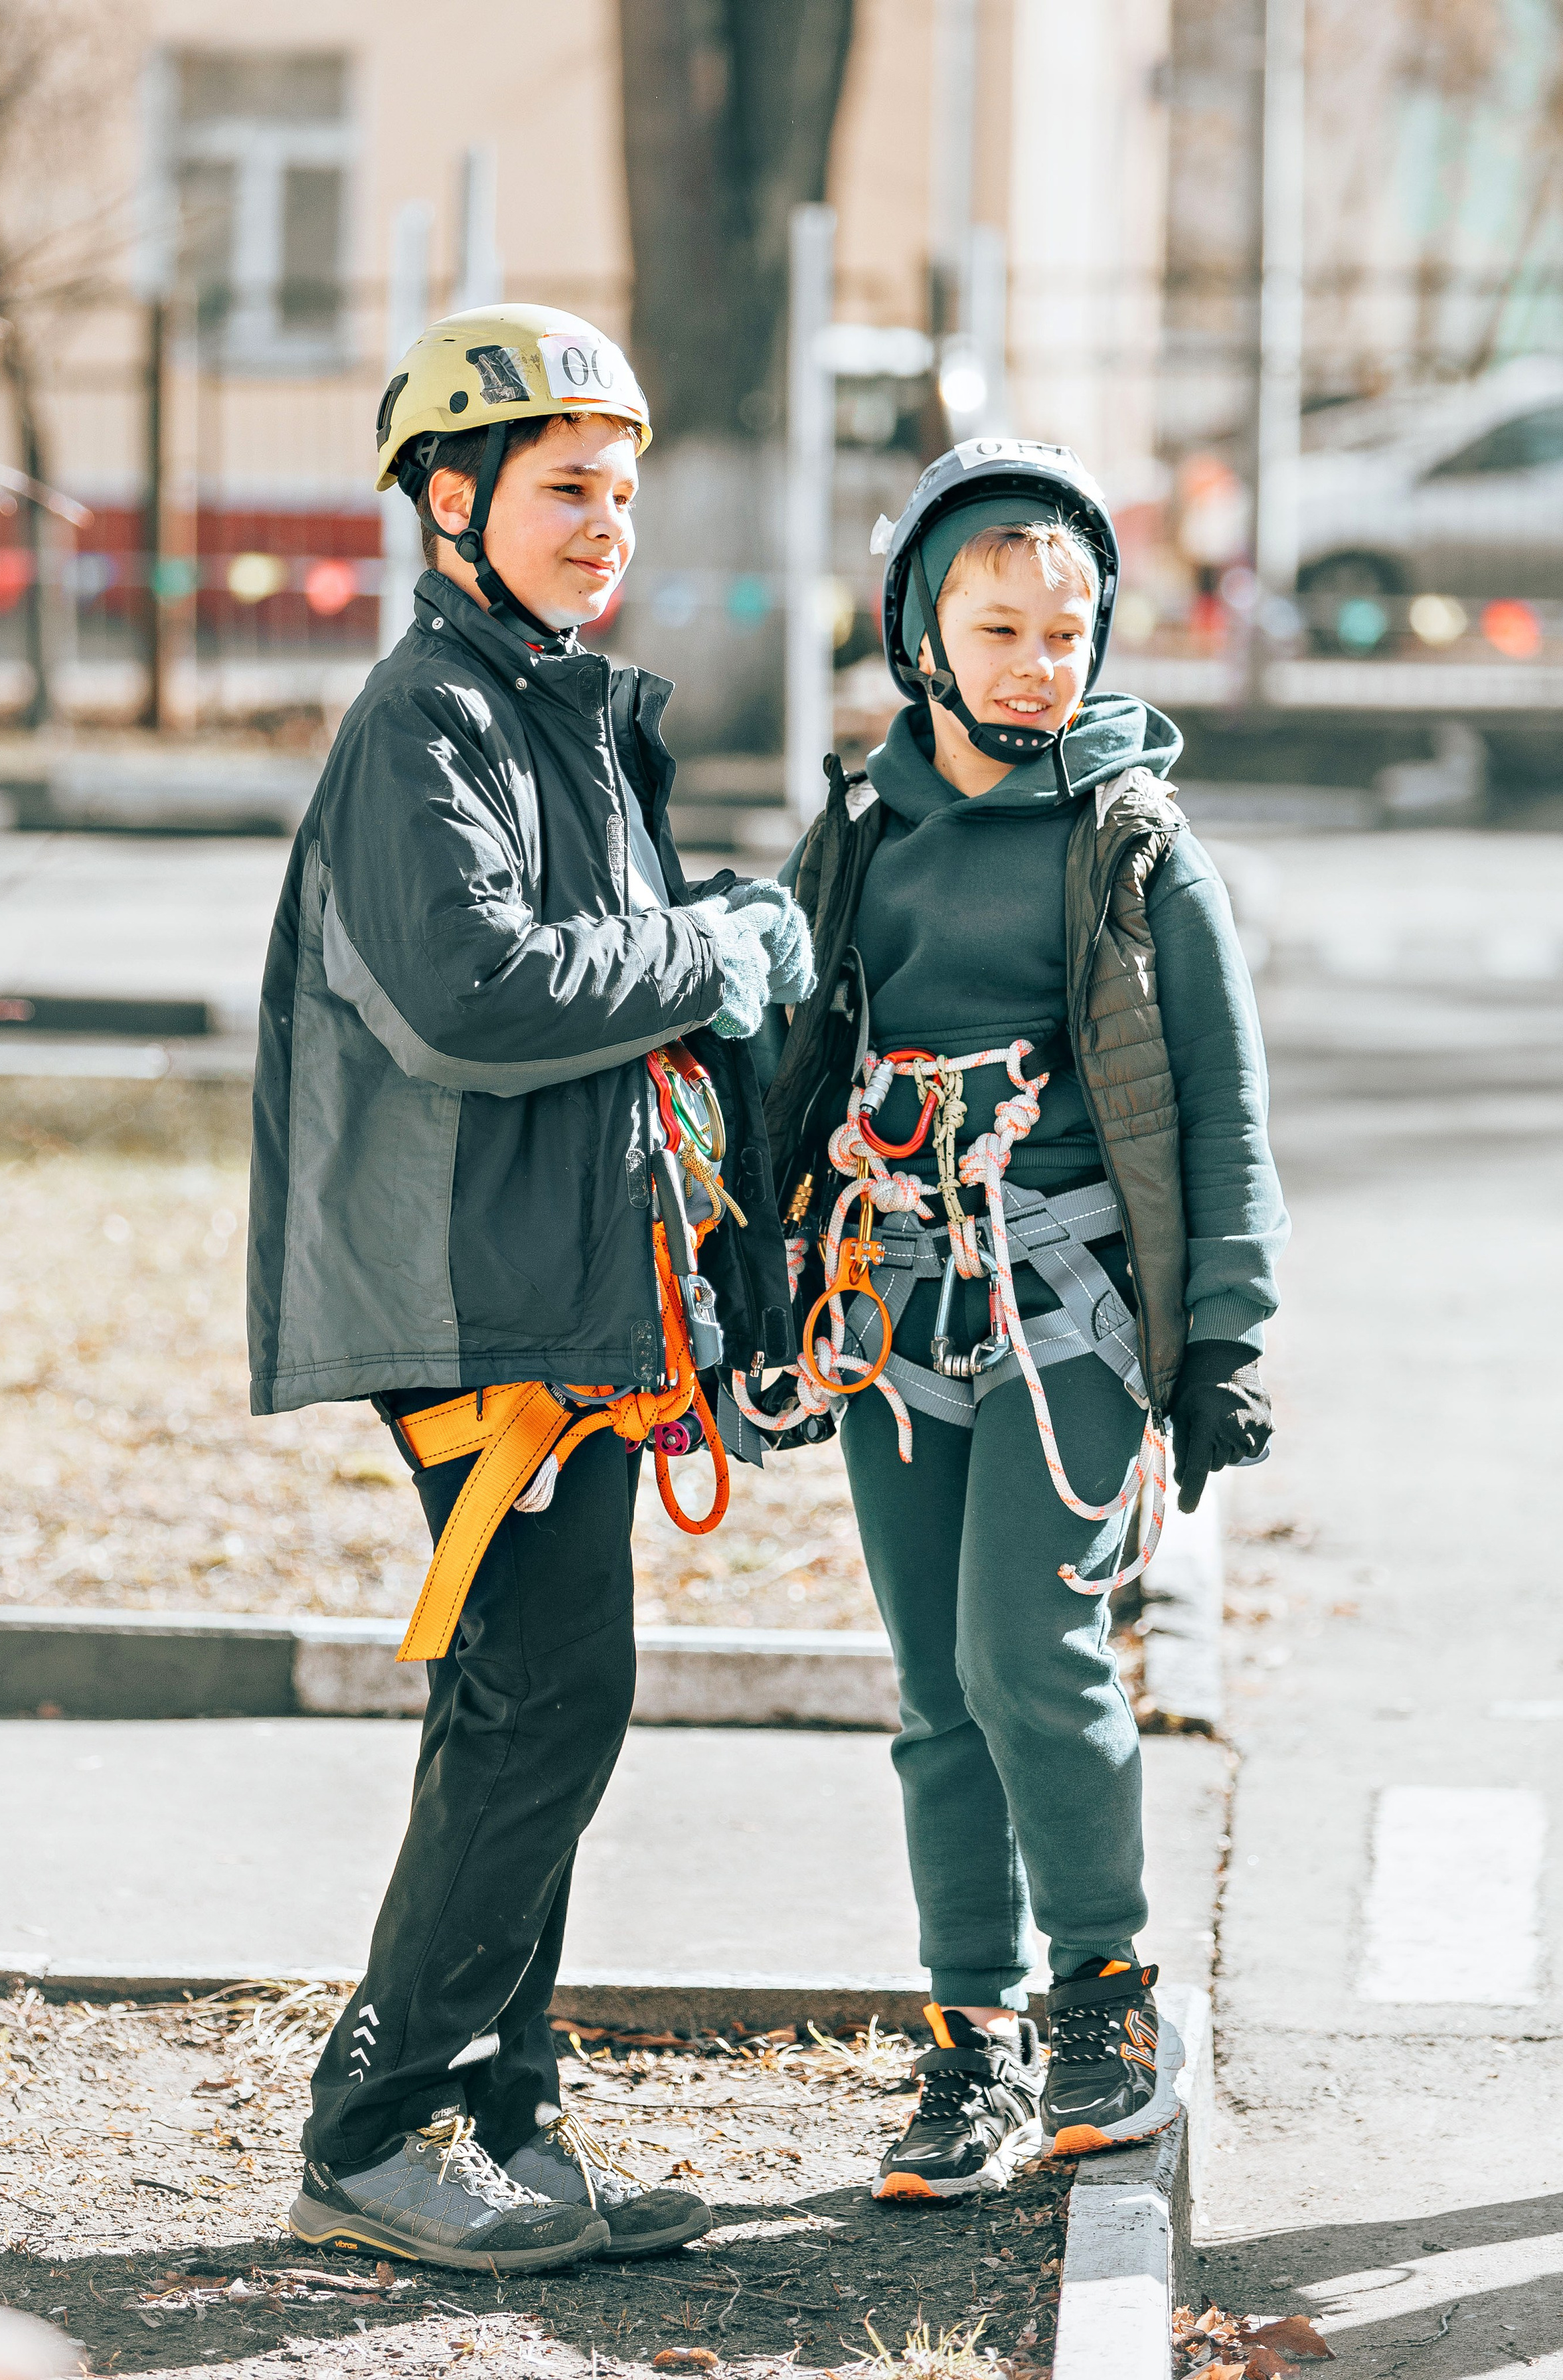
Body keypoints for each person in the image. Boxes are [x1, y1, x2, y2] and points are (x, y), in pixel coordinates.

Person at [246, 303, 806, 2270]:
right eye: (569, 490)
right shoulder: (432, 722)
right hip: (475, 1304)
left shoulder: (554, 710)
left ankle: (502, 2108)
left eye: (625, 495)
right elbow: (475, 994)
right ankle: (380, 2126)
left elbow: (618, 993)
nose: (608, 526)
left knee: (529, 1701)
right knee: (551, 1698)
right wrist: (709, 949)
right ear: (451, 501)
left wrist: (713, 943)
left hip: (568, 1290)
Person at [750, 439, 1287, 2199]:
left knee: (1027, 1660)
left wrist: (1225, 1342)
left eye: (1069, 627)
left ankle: (1109, 1999)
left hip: (1074, 1312)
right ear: (919, 632)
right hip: (895, 1311)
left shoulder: (1139, 846)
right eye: (997, 627)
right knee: (931, 1692)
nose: (1039, 661)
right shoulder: (866, 837)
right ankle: (965, 2043)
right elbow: (796, 1065)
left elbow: (1222, 1103)